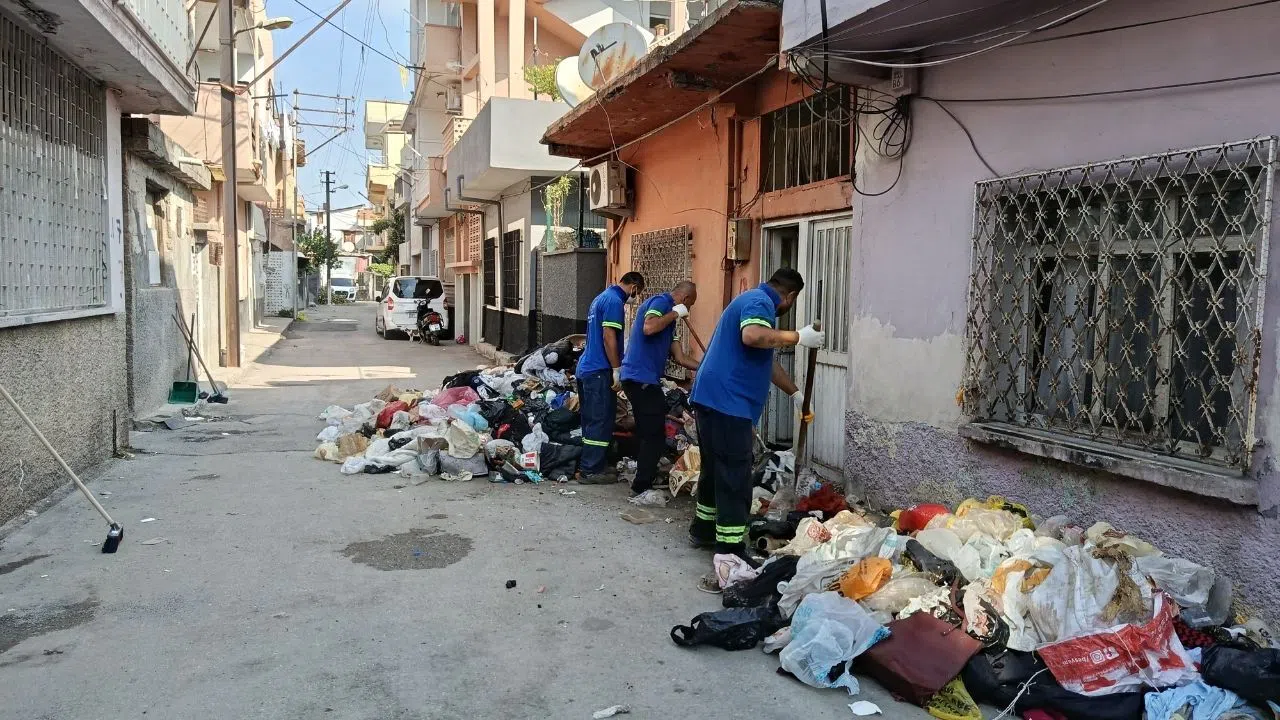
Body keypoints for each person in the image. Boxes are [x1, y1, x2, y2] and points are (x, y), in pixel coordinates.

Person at [687, 268, 824, 567]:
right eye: (792, 301)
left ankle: (704, 529)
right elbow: (752, 337)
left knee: (715, 467)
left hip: (712, 398)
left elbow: (766, 360)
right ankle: (731, 546)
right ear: (789, 296)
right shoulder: (761, 302)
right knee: (735, 472)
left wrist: (796, 394)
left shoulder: (752, 301)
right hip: (727, 403)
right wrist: (798, 337)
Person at [620, 281, 700, 503]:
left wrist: (705, 368)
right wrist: (674, 313)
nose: (689, 311)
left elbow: (680, 358)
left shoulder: (670, 324)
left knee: (649, 430)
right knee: (655, 434)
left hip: (645, 381)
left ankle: (643, 474)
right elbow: (649, 327)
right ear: (684, 299)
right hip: (639, 379)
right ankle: (641, 486)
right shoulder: (661, 302)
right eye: (690, 305)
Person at [575, 271, 646, 484]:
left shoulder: (601, 298)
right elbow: (609, 336)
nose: (635, 297)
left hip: (586, 368)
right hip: (599, 370)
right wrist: (616, 368)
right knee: (601, 420)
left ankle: (589, 464)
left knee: (590, 420)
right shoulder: (615, 302)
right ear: (634, 286)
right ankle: (591, 471)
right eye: (638, 293)